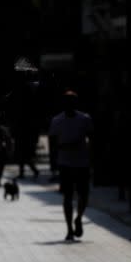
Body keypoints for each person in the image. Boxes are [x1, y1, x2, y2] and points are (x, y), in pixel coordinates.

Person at [48, 90, 94, 241]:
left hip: (82, 163)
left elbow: (91, 138)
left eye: (72, 102)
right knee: (67, 196)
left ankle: (79, 217)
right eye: (67, 102)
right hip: (65, 163)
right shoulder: (57, 120)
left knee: (83, 195)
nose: (69, 105)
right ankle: (69, 229)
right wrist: (55, 161)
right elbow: (53, 143)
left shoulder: (84, 119)